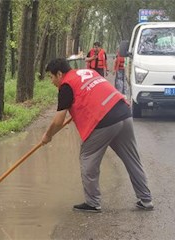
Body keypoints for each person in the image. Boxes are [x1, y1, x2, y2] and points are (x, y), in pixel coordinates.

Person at [41, 58, 153, 213]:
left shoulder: (66, 86)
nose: (52, 81)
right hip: (123, 113)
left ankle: (93, 202)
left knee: (88, 157)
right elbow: (92, 94)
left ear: (59, 74)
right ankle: (146, 199)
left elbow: (58, 121)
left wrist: (47, 135)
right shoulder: (87, 72)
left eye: (51, 77)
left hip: (104, 120)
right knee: (132, 158)